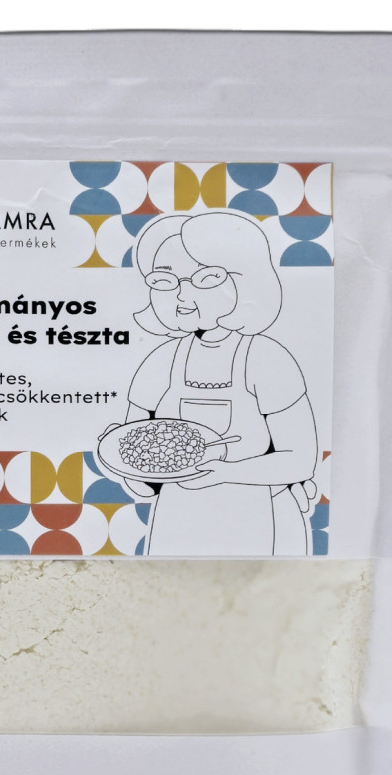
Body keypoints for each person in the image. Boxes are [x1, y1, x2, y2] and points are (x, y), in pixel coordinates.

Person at [124, 211, 318, 556]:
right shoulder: (160, 362)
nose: (182, 295)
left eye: (205, 278)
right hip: (178, 520)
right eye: (165, 281)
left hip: (260, 516)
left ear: (246, 280)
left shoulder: (266, 358)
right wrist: (129, 466)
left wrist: (227, 472)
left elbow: (300, 458)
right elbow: (141, 476)